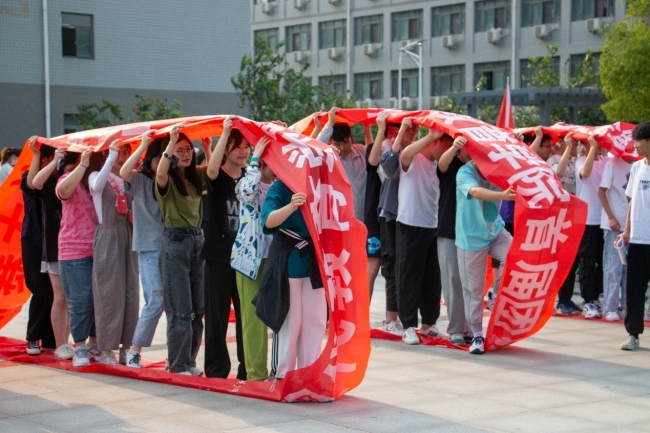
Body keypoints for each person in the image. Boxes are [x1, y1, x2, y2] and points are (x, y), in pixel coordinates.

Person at [255, 178, 327, 379]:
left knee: (316, 320)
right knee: (289, 321)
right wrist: (291, 206)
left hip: (314, 261)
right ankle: (282, 375)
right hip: (288, 261)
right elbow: (267, 221)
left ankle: (309, 375)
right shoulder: (280, 186)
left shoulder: (320, 184)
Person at [156, 124, 206, 375]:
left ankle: (189, 361)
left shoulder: (195, 178)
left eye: (188, 150)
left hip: (197, 241)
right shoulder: (167, 180)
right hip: (175, 243)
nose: (186, 154)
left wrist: (208, 146)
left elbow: (215, 168)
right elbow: (160, 173)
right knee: (180, 310)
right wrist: (170, 143)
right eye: (180, 150)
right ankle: (177, 364)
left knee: (198, 310)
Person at [203, 117, 249, 379]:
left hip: (245, 257)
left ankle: (247, 368)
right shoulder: (217, 177)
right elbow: (211, 167)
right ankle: (216, 369)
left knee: (246, 315)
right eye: (237, 146)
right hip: (218, 256)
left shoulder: (251, 176)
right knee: (217, 316)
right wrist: (224, 133)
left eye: (246, 146)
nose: (243, 151)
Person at [394, 122, 446, 345]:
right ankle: (407, 326)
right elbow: (404, 155)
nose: (446, 152)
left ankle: (429, 323)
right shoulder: (415, 158)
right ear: (435, 142)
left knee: (432, 278)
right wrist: (430, 136)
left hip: (431, 225)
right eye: (444, 146)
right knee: (409, 277)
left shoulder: (436, 164)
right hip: (410, 224)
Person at [456, 160, 515, 354]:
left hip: (495, 231)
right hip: (471, 238)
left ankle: (495, 294)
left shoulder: (500, 168)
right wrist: (503, 195)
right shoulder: (465, 172)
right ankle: (477, 334)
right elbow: (475, 191)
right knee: (474, 291)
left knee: (515, 255)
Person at [88, 140, 139, 365]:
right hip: (108, 234)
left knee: (131, 293)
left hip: (130, 233)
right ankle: (106, 348)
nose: (122, 157)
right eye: (119, 152)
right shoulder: (97, 176)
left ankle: (127, 348)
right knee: (109, 292)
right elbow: (97, 187)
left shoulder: (131, 177)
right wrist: (110, 156)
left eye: (125, 152)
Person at [119, 131, 166, 368]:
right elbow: (124, 172)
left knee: (174, 304)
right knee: (155, 301)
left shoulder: (172, 179)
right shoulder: (140, 180)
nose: (166, 163)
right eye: (161, 158)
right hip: (150, 247)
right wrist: (143, 144)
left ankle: (177, 357)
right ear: (151, 159)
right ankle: (134, 350)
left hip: (173, 247)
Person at [231, 136, 276, 381]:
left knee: (277, 314)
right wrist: (255, 157)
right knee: (253, 318)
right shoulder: (248, 183)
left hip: (276, 257)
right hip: (250, 259)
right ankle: (256, 374)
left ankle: (277, 370)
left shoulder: (281, 187)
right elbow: (247, 192)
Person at [56, 148, 102, 367]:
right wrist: (82, 165)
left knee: (98, 300)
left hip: (101, 249)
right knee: (81, 301)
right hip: (74, 250)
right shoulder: (69, 178)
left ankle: (94, 344)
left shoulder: (102, 181)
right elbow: (63, 191)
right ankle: (80, 346)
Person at [29, 141, 75, 360]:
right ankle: (60, 344)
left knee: (72, 298)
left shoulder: (79, 180)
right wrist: (53, 160)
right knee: (60, 296)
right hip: (54, 246)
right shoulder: (51, 182)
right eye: (68, 165)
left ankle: (66, 342)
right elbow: (34, 183)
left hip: (77, 246)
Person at [375, 117, 418, 335]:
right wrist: (399, 136)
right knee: (391, 265)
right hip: (392, 213)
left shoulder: (417, 150)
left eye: (414, 128)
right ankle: (391, 317)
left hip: (410, 215)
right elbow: (389, 169)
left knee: (406, 266)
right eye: (406, 128)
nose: (411, 131)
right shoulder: (389, 146)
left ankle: (402, 316)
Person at [20, 138, 56, 356]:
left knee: (54, 291)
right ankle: (33, 336)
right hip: (33, 239)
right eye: (54, 158)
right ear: (45, 159)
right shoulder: (30, 175)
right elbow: (33, 184)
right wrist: (35, 154)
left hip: (54, 240)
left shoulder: (59, 178)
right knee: (40, 288)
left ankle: (50, 337)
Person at [436, 136, 472, 345]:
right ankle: (457, 329)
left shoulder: (478, 168)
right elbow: (441, 165)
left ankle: (471, 327)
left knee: (471, 282)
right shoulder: (451, 162)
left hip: (472, 232)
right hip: (449, 229)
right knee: (453, 280)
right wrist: (454, 148)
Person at [618, 122, 650, 350]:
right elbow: (632, 202)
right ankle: (633, 334)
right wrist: (627, 230)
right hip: (638, 240)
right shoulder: (637, 168)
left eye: (639, 140)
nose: (635, 145)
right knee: (634, 290)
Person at [575, 135, 608, 319]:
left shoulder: (606, 162)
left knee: (602, 262)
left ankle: (595, 297)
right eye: (596, 142)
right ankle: (587, 300)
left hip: (603, 219)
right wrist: (592, 148)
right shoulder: (581, 161)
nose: (600, 145)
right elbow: (585, 173)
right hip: (587, 219)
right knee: (586, 261)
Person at [549, 133, 581, 315]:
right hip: (558, 215)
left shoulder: (577, 161)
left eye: (576, 142)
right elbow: (557, 173)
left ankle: (567, 298)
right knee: (559, 258)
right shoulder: (553, 159)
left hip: (574, 214)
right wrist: (568, 149)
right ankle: (559, 300)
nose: (575, 145)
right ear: (560, 142)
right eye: (571, 142)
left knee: (572, 259)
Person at [598, 153, 633, 321]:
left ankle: (625, 306)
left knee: (629, 269)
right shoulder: (612, 163)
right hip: (615, 225)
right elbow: (601, 192)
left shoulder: (639, 164)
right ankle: (609, 307)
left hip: (632, 225)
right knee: (613, 267)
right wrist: (611, 217)